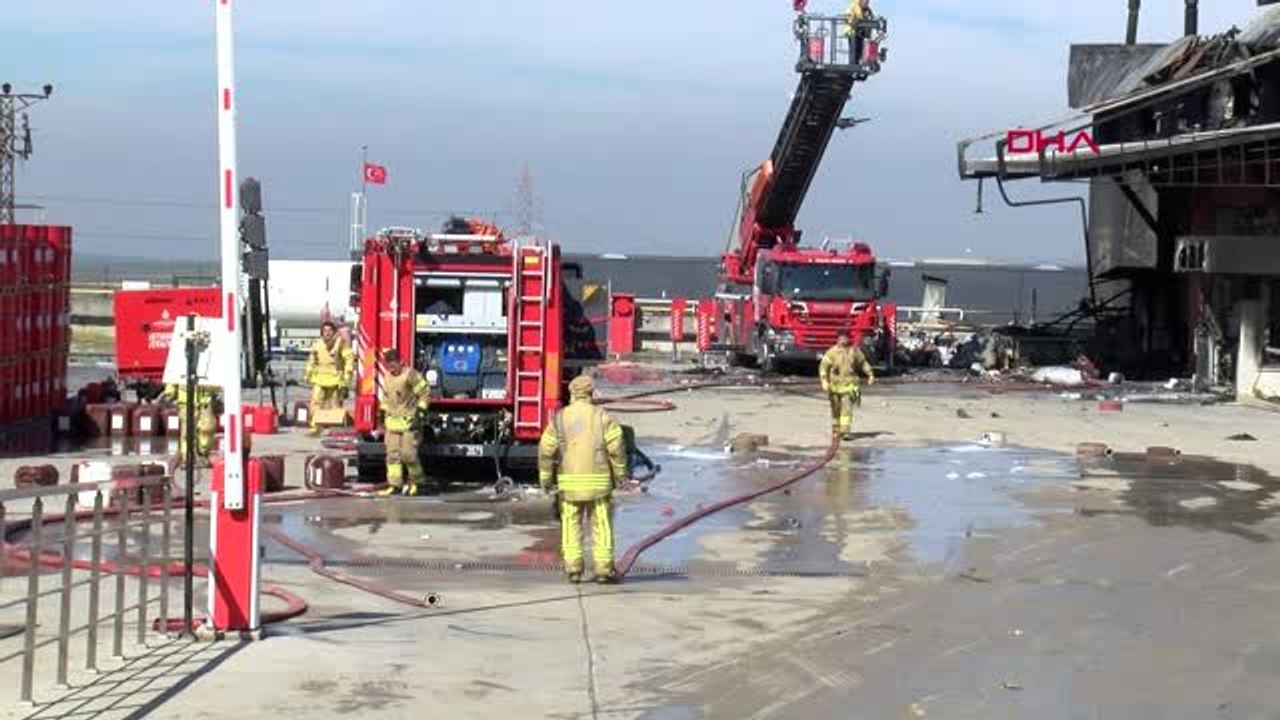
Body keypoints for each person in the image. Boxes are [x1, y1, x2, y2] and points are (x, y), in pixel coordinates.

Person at [538, 375, 629, 584]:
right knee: (602, 525)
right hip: (599, 483)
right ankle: (604, 570)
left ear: (571, 393)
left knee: (571, 525)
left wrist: (546, 479)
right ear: (591, 393)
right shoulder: (602, 416)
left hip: (569, 483)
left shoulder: (559, 418)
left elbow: (546, 449)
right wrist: (621, 475)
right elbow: (617, 448)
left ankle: (573, 569)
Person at [377, 349, 431, 497]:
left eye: (393, 364)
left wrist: (420, 413)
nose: (391, 368)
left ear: (400, 362)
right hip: (392, 422)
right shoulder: (387, 377)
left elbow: (424, 393)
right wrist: (381, 412)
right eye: (388, 365)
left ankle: (418, 483)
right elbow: (387, 397)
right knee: (392, 456)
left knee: (408, 455)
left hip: (409, 421)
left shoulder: (410, 375)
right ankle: (394, 485)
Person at [819, 329, 875, 442]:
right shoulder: (832, 352)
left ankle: (845, 431)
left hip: (850, 385)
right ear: (838, 339)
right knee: (836, 410)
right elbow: (823, 367)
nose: (843, 339)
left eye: (845, 337)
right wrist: (824, 381)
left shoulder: (854, 351)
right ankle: (836, 430)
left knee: (847, 409)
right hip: (834, 386)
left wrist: (870, 375)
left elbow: (863, 363)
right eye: (841, 337)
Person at [303, 321, 354, 436]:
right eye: (325, 331)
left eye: (330, 331)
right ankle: (315, 427)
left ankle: (335, 428)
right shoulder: (317, 344)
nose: (327, 333)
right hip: (319, 378)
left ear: (334, 332)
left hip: (335, 379)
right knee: (315, 401)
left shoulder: (340, 343)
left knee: (335, 404)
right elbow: (312, 360)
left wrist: (347, 374)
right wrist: (308, 373)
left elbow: (349, 358)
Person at [161, 382, 219, 468]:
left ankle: (202, 453)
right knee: (188, 432)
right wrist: (170, 391)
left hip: (206, 401)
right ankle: (187, 457)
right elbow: (174, 377)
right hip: (186, 402)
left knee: (207, 428)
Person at [844, 0, 872, 66]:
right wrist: (856, 21)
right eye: (865, 1)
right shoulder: (853, 7)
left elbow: (871, 18)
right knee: (854, 50)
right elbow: (849, 18)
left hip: (861, 33)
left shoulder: (867, 10)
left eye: (867, 1)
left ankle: (858, 63)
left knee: (860, 50)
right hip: (852, 32)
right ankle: (853, 64)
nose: (866, 3)